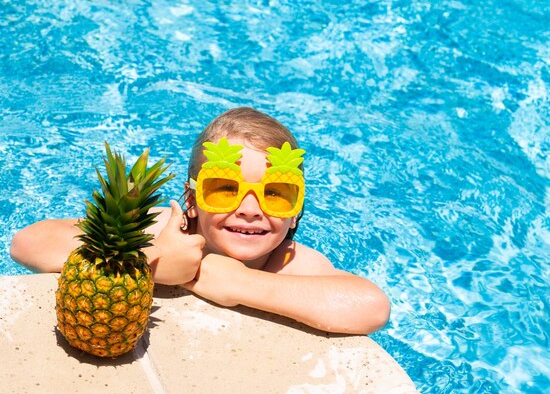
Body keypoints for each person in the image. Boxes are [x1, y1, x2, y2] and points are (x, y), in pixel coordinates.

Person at [11, 107, 390, 335]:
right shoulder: (164, 229)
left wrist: (233, 281)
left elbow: (371, 307)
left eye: (276, 194)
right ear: (192, 200)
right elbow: (27, 243)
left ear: (295, 214)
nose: (250, 209)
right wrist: (149, 260)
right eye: (225, 189)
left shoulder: (290, 263)